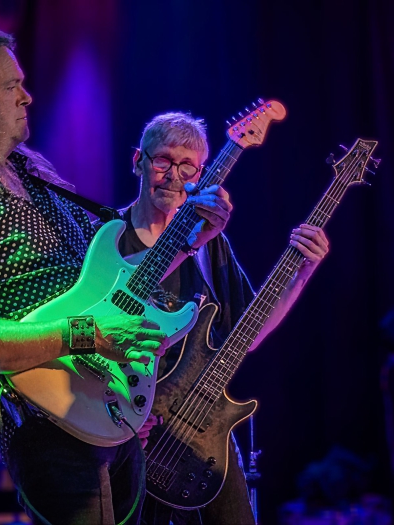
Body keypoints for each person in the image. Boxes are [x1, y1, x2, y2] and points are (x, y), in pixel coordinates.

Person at [0, 26, 233, 525]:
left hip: (110, 409)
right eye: (11, 85)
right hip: (46, 417)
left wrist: (190, 242)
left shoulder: (38, 181)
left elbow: (115, 286)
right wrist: (87, 335)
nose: (27, 96)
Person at [109, 113, 330, 525]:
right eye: (163, 161)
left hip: (201, 433)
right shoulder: (106, 238)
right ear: (138, 161)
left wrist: (302, 273)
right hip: (128, 435)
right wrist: (116, 417)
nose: (174, 176)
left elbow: (247, 334)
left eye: (188, 167)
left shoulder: (212, 246)